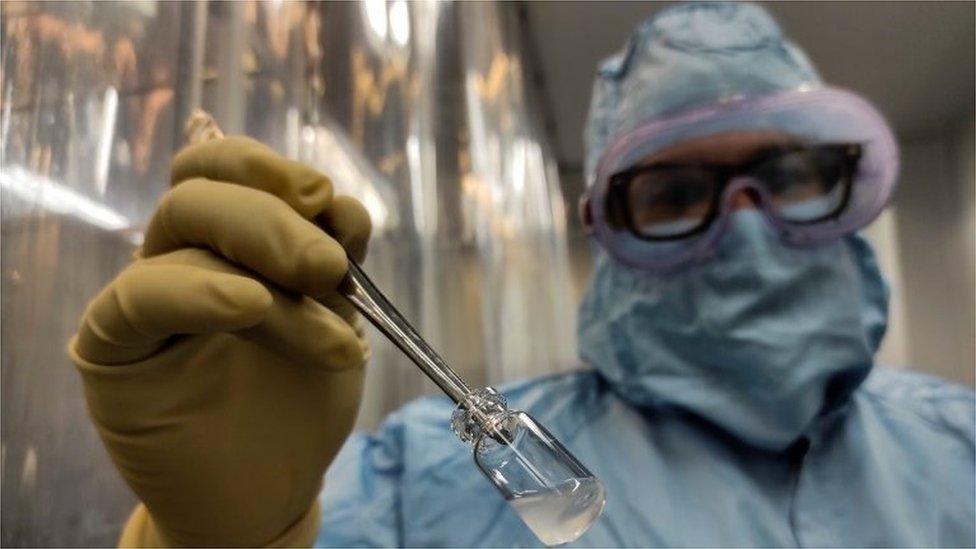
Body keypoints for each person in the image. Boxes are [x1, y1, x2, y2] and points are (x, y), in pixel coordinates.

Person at [71, 3, 974, 547]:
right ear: (607, 227)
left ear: (847, 188)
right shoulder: (419, 477)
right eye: (675, 192)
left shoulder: (960, 445)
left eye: (787, 177)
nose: (744, 231)